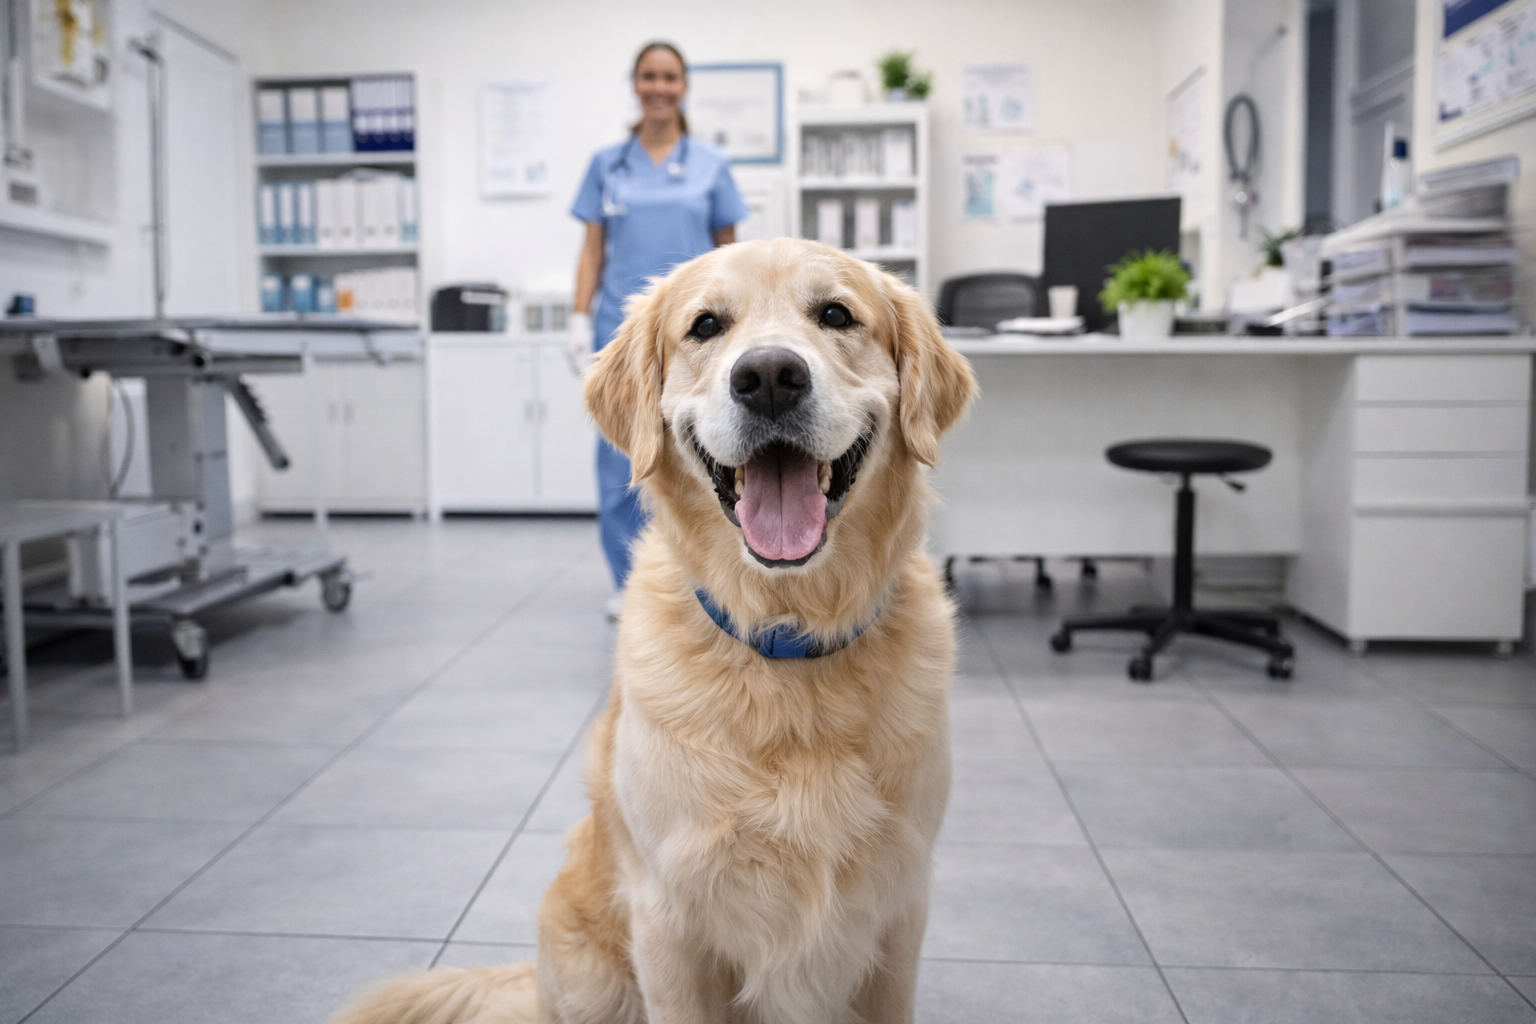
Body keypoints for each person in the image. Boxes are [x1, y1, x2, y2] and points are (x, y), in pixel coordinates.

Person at [569, 41, 749, 613]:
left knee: (711, 453)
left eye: (669, 77)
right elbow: (592, 249)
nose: (659, 87)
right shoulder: (607, 165)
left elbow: (732, 257)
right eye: (649, 76)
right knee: (624, 460)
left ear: (684, 85)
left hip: (699, 342)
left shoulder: (709, 165)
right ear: (636, 84)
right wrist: (577, 317)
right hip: (620, 334)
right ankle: (629, 583)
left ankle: (705, 578)